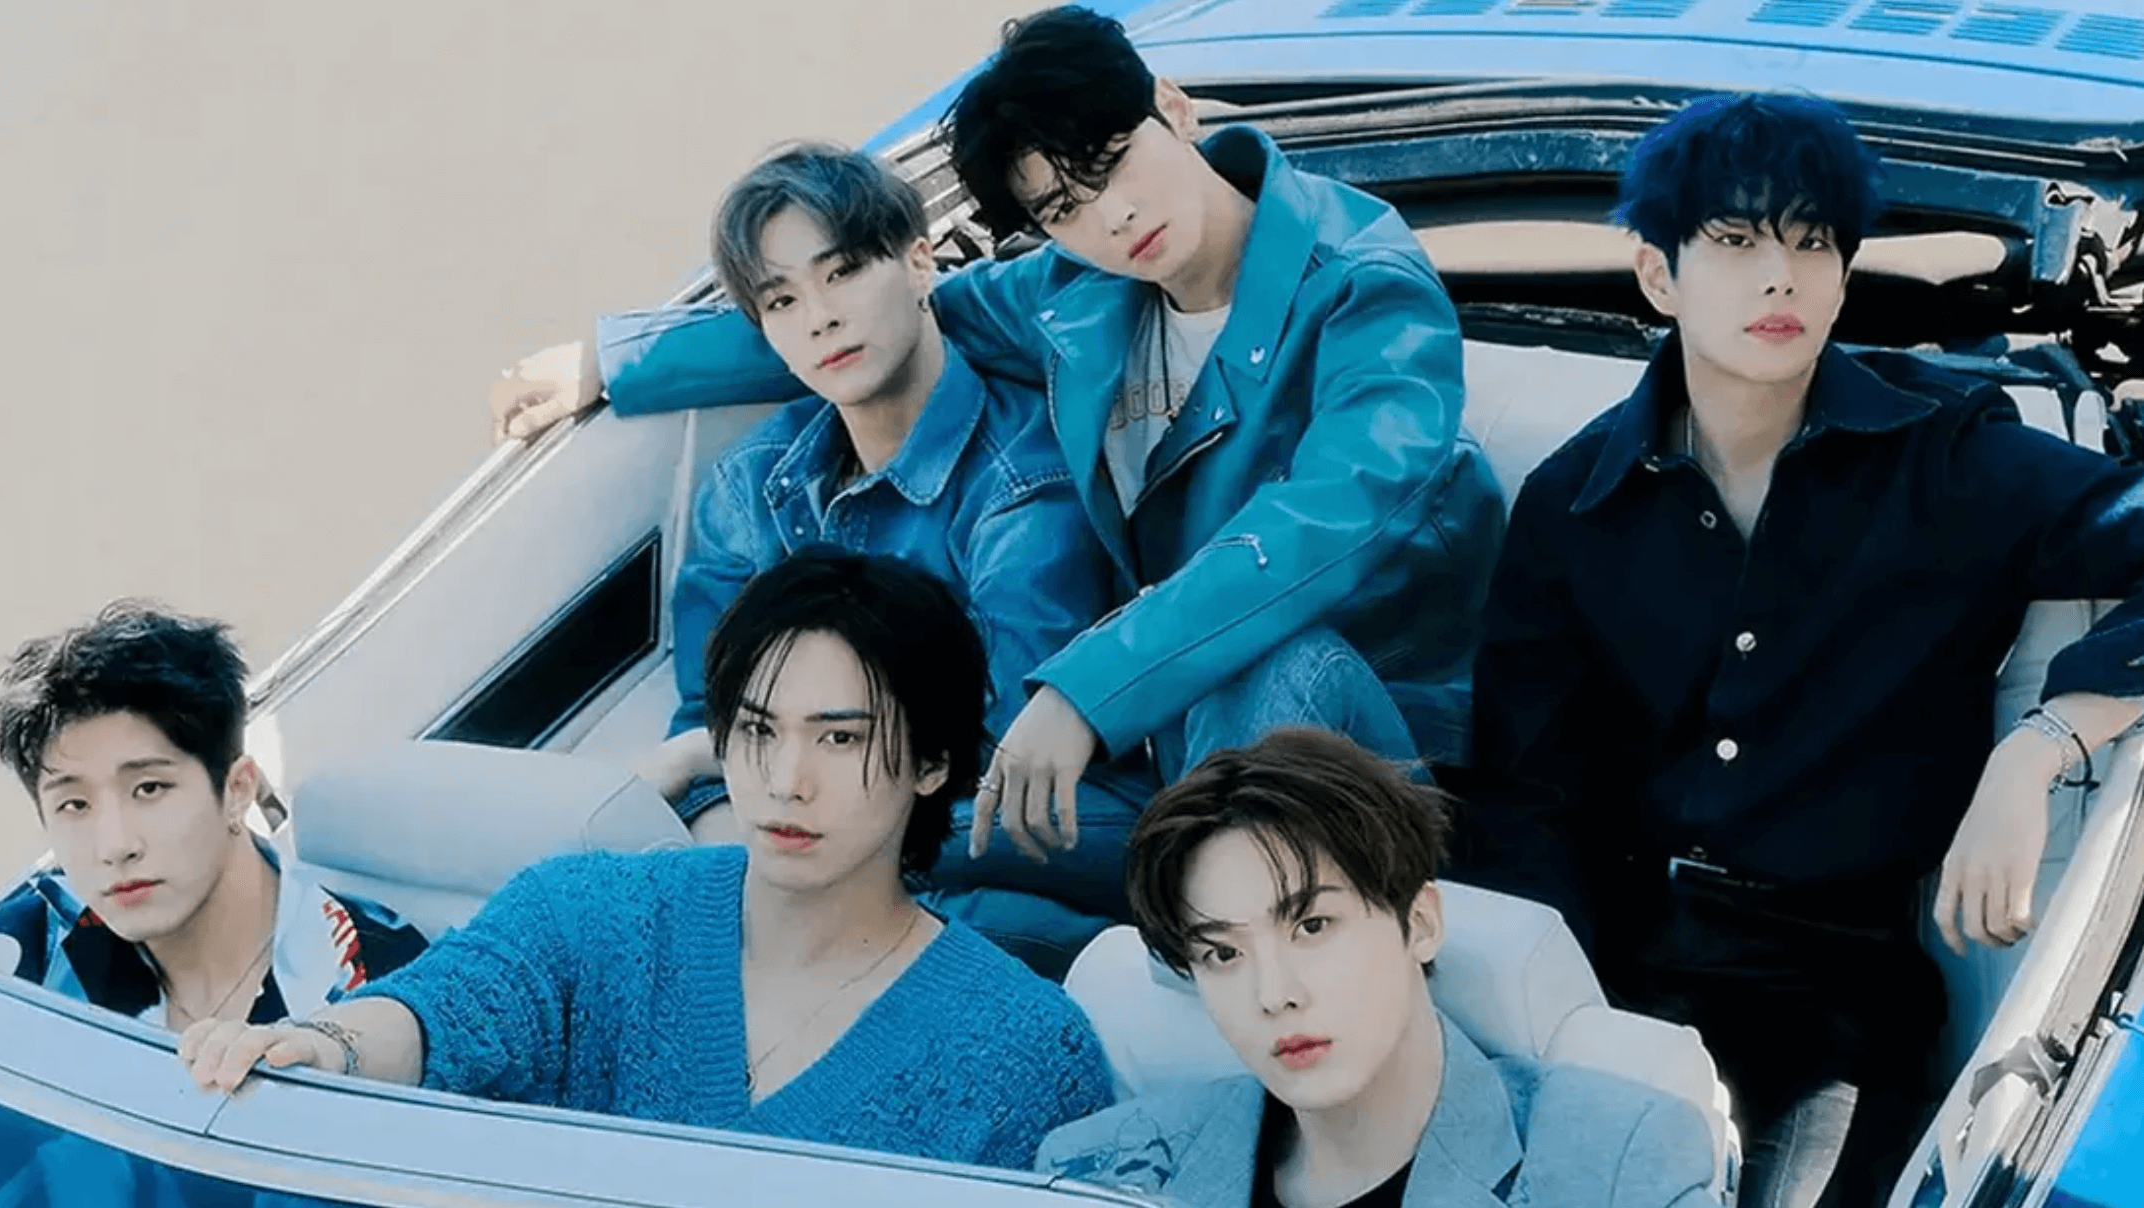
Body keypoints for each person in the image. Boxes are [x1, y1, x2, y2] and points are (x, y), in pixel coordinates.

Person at [487, 6, 1505, 850]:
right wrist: (616, 365)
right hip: (1170, 722)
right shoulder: (1081, 289)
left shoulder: (1366, 289)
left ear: (1173, 107)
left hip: (1375, 729)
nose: (1110, 218)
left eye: (1113, 162)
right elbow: (885, 315)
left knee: (1269, 666)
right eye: (1062, 208)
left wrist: (1084, 687)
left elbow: (1315, 533)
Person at [1469, 92, 2144, 1207]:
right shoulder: (1573, 499)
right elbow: (1523, 797)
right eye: (1736, 241)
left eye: (1812, 241)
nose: (1780, 277)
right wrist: (1564, 1022)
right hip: (1605, 968)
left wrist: (2041, 744)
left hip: (1833, 995)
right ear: (1658, 274)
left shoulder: (1945, 456)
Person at [178, 549, 1117, 1172]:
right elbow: (443, 1012)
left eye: (840, 739)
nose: (786, 781)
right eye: (757, 730)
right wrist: (323, 1048)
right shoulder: (592, 915)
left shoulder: (1028, 1049)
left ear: (933, 762)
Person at [633, 142, 1153, 975]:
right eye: (782, 300)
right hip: (845, 818)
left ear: (918, 263)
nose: (820, 318)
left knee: (896, 901)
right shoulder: (750, 486)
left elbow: (998, 736)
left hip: (1042, 803)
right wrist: (727, 829)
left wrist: (731, 774)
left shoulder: (1024, 475)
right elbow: (705, 712)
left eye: (842, 273)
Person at [1036, 728, 1717, 1208]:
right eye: (1223, 954)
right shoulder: (1095, 1170)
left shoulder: (1616, 1163)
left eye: (1312, 926)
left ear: (1419, 923)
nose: (1274, 995)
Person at [0, 600, 427, 1030]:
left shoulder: (374, 977)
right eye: (75, 805)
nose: (115, 846)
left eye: (149, 789)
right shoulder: (38, 939)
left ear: (237, 790)